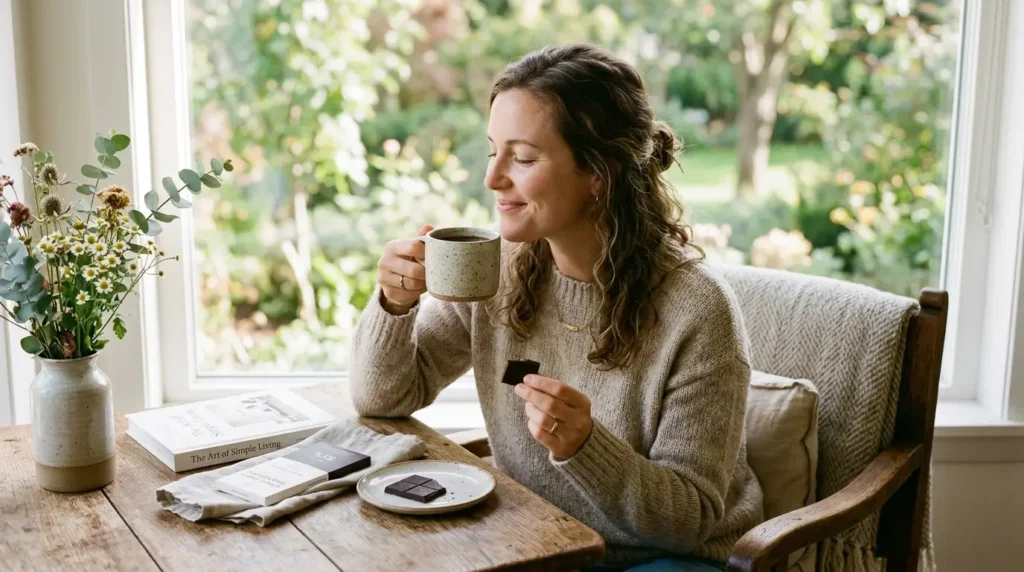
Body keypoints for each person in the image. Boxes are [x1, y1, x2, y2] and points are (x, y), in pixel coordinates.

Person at [349, 43, 763, 571]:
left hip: (660, 558)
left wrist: (585, 446)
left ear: (599, 174)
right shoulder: (496, 269)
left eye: (522, 158)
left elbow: (688, 520)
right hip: (537, 539)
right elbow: (382, 398)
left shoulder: (697, 310)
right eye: (493, 149)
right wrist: (394, 303)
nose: (492, 178)